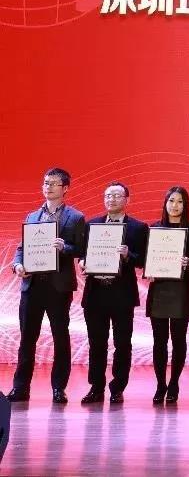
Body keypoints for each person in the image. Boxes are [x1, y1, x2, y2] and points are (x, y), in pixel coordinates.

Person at [6, 168, 86, 404]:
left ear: (65, 188)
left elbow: (82, 250)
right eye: (45, 183)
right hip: (32, 286)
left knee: (60, 338)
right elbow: (22, 248)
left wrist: (65, 248)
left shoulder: (75, 217)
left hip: (58, 287)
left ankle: (59, 388)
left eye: (53, 183)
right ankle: (20, 388)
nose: (48, 187)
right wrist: (17, 265)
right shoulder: (33, 216)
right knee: (27, 339)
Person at [79, 182, 149, 405]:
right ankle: (96, 387)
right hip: (96, 293)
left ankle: (118, 388)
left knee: (122, 344)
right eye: (108, 195)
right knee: (96, 343)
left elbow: (144, 261)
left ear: (127, 199)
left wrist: (128, 255)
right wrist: (83, 262)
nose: (112, 199)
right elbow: (83, 254)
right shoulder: (92, 225)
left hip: (122, 294)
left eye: (117, 196)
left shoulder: (138, 228)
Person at [146, 186, 189, 405]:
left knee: (178, 340)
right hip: (158, 288)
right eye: (171, 201)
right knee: (159, 340)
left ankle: (174, 383)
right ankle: (160, 384)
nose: (175, 205)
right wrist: (148, 269)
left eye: (180, 202)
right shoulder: (154, 228)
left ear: (185, 205)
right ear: (165, 203)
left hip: (180, 289)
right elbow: (145, 258)